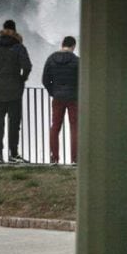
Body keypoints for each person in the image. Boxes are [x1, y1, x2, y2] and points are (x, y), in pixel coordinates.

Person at [0, 19, 32, 164]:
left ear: (2, 30)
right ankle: (13, 154)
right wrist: (22, 79)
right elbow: (27, 66)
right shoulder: (19, 48)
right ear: (15, 31)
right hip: (14, 92)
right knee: (14, 124)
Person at [42, 35, 79, 165]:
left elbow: (45, 79)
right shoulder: (76, 60)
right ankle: (75, 159)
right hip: (73, 98)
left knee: (55, 127)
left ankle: (54, 158)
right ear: (73, 46)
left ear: (62, 45)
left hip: (57, 97)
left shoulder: (51, 59)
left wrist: (54, 92)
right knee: (74, 127)